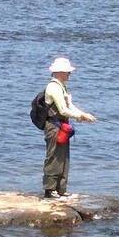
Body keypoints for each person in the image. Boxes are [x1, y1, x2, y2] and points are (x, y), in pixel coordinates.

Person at [42, 57, 96, 199]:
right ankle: (50, 189)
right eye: (68, 72)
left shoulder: (62, 87)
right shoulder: (53, 87)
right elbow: (63, 110)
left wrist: (84, 114)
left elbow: (69, 107)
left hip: (62, 126)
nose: (70, 74)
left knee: (64, 157)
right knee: (53, 156)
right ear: (59, 72)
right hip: (53, 126)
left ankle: (61, 189)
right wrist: (80, 117)